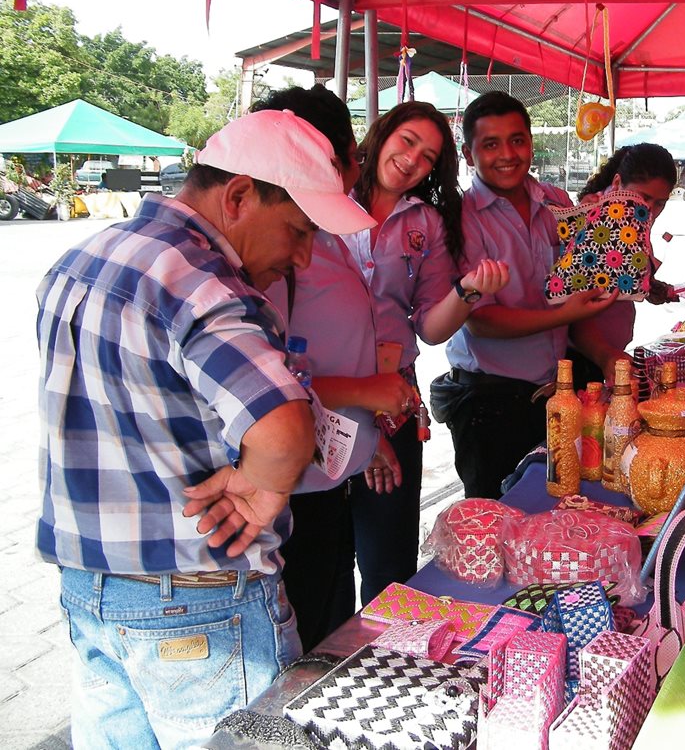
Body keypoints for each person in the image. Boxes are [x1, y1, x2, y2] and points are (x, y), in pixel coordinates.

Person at [36, 110, 375, 749]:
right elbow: (282, 424)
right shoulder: (204, 285)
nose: (303, 256)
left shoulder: (81, 259)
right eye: (298, 232)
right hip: (200, 604)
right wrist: (261, 487)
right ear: (240, 195)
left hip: (90, 592)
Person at [254, 86, 415, 649]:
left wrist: (365, 434)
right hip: (290, 485)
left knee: (331, 614)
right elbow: (269, 382)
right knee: (308, 633)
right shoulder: (276, 250)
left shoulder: (328, 232)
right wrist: (368, 393)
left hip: (326, 465)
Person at [344, 100, 510, 598]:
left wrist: (467, 294)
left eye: (429, 156)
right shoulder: (326, 197)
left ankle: (384, 658)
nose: (413, 159)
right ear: (383, 135)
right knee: (321, 546)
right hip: (322, 390)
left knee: (387, 552)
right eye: (408, 141)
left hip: (393, 396)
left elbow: (432, 330)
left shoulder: (427, 225)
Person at [433, 91, 617, 499]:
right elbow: (480, 320)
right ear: (468, 153)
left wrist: (607, 357)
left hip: (558, 394)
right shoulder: (459, 219)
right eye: (490, 144)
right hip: (489, 403)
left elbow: (578, 292)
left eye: (517, 140)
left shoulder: (557, 203)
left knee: (562, 509)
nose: (507, 155)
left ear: (531, 142)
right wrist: (563, 314)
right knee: (495, 522)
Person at [570, 142, 678, 386]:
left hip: (608, 354)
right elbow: (575, 306)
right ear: (617, 184)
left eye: (660, 203)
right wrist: (604, 355)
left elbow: (619, 278)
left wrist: (650, 287)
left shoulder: (632, 217)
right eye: (644, 197)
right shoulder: (593, 219)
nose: (649, 208)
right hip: (586, 357)